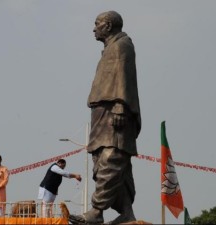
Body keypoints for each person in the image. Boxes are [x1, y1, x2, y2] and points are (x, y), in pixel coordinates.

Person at [69, 11, 142, 225]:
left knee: (112, 158)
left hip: (115, 111)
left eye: (97, 24)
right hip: (102, 113)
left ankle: (97, 211)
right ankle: (127, 212)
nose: (94, 28)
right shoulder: (109, 48)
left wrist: (120, 104)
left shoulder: (122, 45)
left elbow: (125, 77)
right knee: (105, 161)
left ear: (108, 25)